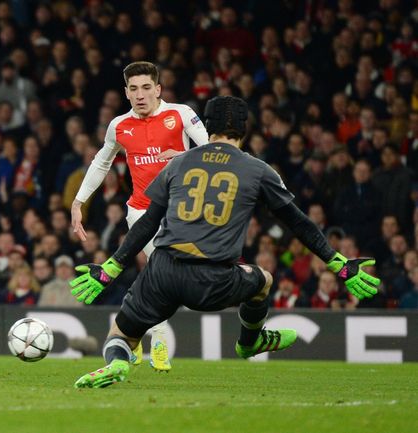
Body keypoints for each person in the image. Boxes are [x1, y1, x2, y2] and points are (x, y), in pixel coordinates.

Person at [70, 96, 380, 388]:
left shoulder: (177, 164)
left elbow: (148, 222)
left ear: (207, 125)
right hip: (213, 281)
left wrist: (111, 267)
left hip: (162, 271)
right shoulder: (258, 170)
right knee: (264, 279)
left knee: (121, 334)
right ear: (244, 129)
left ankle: (119, 362)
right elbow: (299, 222)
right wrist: (338, 264)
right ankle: (250, 341)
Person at [70, 61, 209, 372]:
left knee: (168, 279)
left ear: (158, 89)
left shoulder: (181, 114)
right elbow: (101, 162)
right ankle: (157, 337)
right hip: (142, 212)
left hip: (181, 212)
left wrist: (183, 155)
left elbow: (215, 151)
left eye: (147, 87)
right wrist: (78, 201)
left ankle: (129, 337)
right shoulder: (119, 126)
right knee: (159, 272)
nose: (140, 94)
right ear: (126, 92)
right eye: (134, 89)